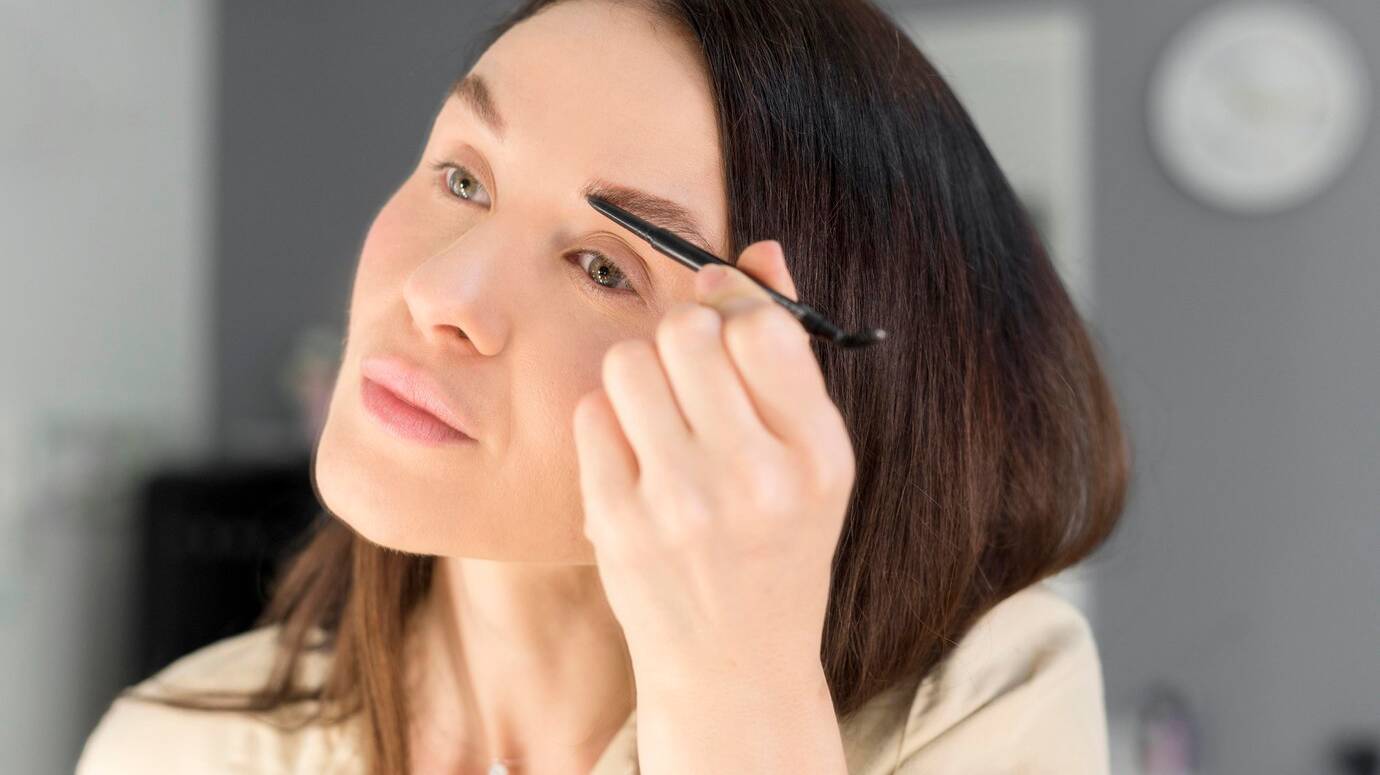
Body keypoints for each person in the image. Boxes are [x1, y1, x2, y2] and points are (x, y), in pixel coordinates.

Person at [77, 0, 1128, 772]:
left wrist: (738, 693)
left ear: (790, 386)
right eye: (462, 178)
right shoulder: (180, 744)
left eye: (603, 268)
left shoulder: (983, 706)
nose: (440, 293)